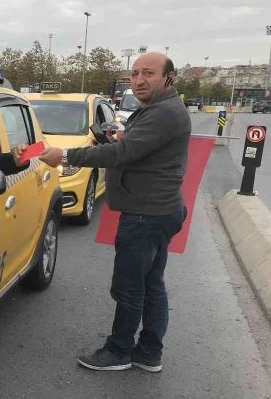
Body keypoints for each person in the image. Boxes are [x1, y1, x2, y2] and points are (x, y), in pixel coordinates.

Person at [37, 52, 190, 373]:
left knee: (130, 287)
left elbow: (123, 153)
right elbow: (134, 147)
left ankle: (119, 351)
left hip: (146, 216)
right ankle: (148, 352)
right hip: (157, 211)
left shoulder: (165, 113)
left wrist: (63, 154)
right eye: (134, 73)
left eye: (148, 73)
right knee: (150, 284)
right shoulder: (157, 110)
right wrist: (121, 136)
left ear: (168, 78)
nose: (139, 80)